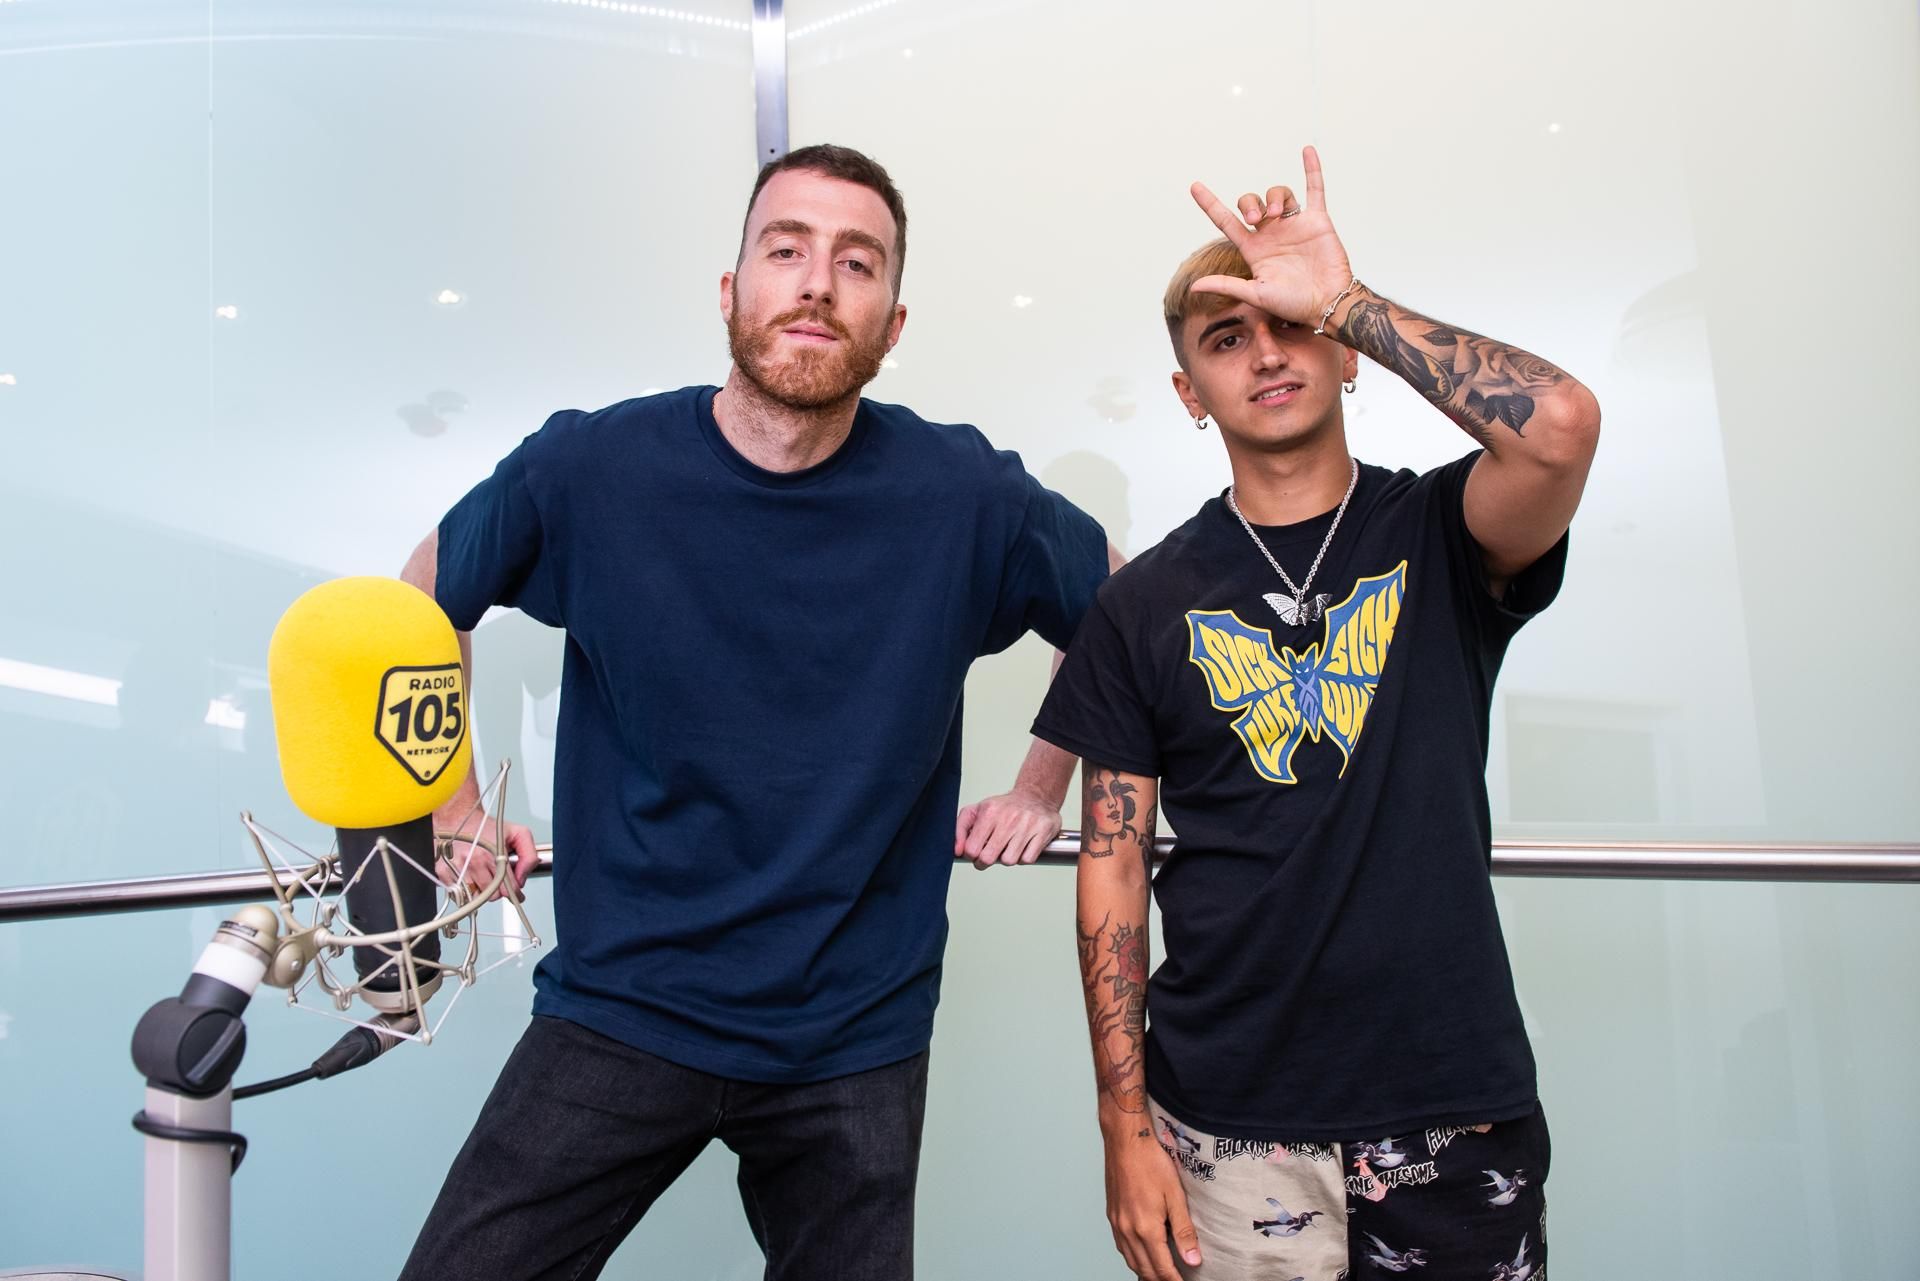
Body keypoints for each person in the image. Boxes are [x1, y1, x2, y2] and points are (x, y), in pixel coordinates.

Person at [396, 143, 1119, 1281]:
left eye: (857, 262)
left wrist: (1041, 787)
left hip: (854, 1035)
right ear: (732, 290)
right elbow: (418, 603)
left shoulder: (964, 494)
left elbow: (1124, 623)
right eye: (786, 251)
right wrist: (447, 809)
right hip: (624, 1001)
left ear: (892, 323)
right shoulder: (591, 465)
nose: (818, 283)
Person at [1034, 146, 1600, 1281]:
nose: (1265, 352)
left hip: (1452, 1103)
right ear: (1190, 397)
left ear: (1342, 356)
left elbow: (1561, 424)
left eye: (1287, 325)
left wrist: (1347, 302)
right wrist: (1121, 1127)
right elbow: (1112, 867)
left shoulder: (1443, 534)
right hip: (1226, 1122)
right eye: (1224, 338)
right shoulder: (1142, 604)